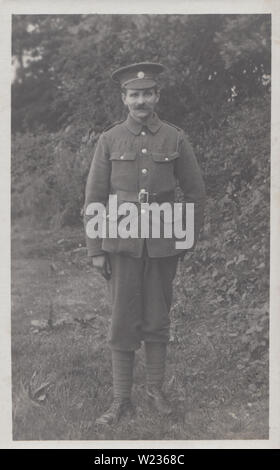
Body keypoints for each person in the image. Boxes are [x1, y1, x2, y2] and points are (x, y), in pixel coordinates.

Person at [84, 62, 206, 426]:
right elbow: (95, 195)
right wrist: (95, 248)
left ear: (157, 96)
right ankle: (121, 400)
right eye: (133, 95)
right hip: (121, 242)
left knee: (157, 316)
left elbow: (196, 192)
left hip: (163, 243)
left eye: (147, 94)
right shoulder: (109, 139)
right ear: (124, 98)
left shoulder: (175, 138)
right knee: (123, 319)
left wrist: (185, 237)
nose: (141, 100)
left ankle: (155, 390)